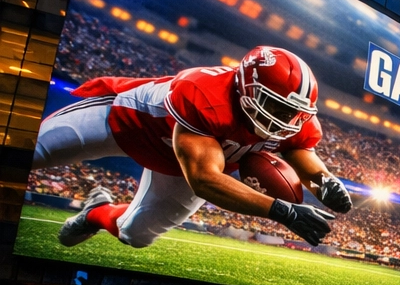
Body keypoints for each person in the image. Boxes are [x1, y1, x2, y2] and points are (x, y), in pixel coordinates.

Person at [36, 46, 348, 250]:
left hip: (182, 163)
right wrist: (282, 212)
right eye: (274, 106)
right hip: (128, 122)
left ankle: (95, 213)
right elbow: (204, 178)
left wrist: (326, 182)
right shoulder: (204, 94)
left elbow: (299, 150)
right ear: (245, 88)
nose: (283, 119)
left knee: (136, 235)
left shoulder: (294, 120)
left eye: (291, 113)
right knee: (36, 148)